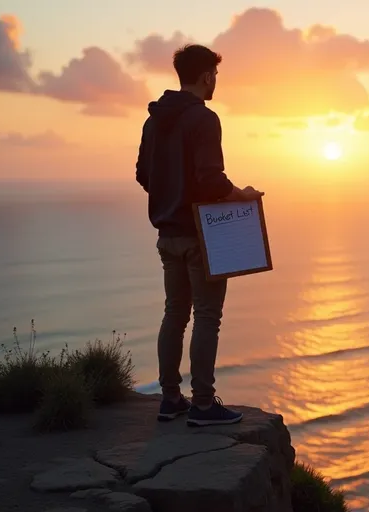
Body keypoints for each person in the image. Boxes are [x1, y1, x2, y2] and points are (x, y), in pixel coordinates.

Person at [135, 44, 263, 426]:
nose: (216, 83)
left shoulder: (153, 119)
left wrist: (171, 193)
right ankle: (204, 405)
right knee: (207, 316)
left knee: (174, 314)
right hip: (202, 237)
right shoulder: (204, 119)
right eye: (215, 75)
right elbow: (211, 181)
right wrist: (243, 195)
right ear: (207, 75)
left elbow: (144, 175)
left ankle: (170, 398)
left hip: (167, 235)